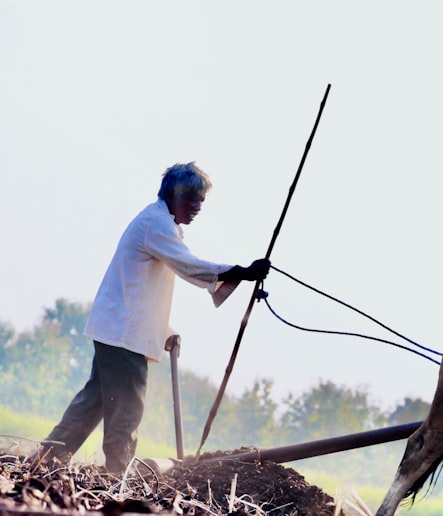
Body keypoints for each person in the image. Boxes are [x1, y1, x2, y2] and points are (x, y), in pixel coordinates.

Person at [35, 162, 270, 473]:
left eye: (201, 200)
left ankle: (44, 461)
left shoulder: (163, 225)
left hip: (118, 328)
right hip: (123, 334)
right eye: (191, 199)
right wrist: (243, 272)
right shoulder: (156, 224)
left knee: (92, 404)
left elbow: (141, 290)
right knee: (127, 409)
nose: (197, 207)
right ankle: (118, 474)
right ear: (172, 195)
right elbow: (189, 266)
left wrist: (165, 330)